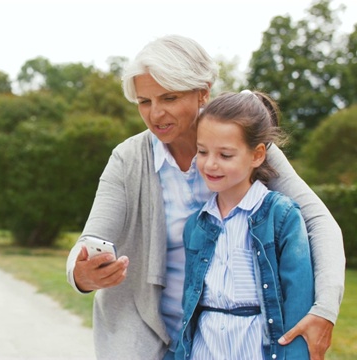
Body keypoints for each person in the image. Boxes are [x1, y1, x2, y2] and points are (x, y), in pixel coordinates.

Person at [65, 34, 345, 360]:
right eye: (145, 101)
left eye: (169, 98)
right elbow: (91, 238)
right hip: (140, 327)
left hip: (224, 337)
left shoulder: (243, 146)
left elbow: (318, 221)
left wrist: (324, 309)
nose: (155, 114)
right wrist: (80, 273)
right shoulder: (128, 159)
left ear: (203, 93)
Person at [175, 90, 313, 359]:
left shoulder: (281, 216)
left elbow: (298, 302)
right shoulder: (196, 225)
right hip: (205, 350)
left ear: (257, 155)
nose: (210, 164)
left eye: (225, 155)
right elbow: (189, 306)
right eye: (202, 151)